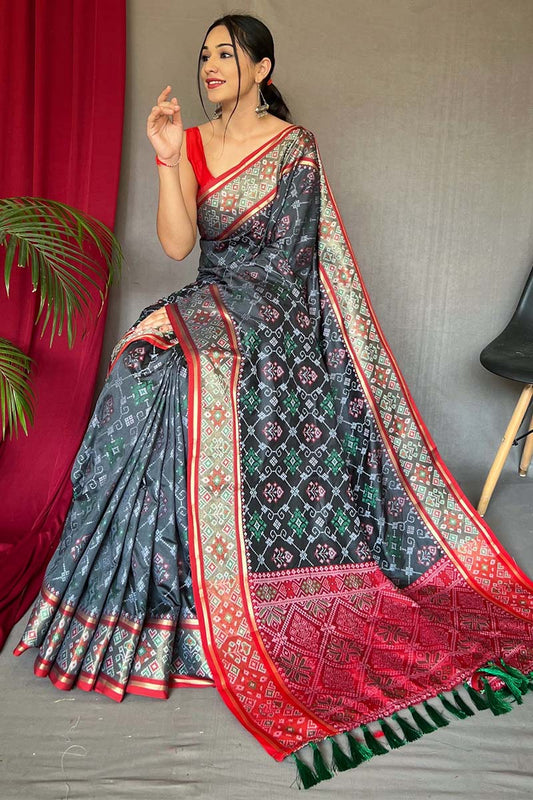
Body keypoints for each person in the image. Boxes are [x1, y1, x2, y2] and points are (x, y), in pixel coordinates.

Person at [13, 13, 533, 789]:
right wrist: (166, 157)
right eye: (205, 55)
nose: (210, 65)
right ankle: (146, 603)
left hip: (273, 320)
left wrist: (216, 324)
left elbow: (290, 268)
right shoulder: (190, 140)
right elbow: (179, 246)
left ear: (262, 67)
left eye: (226, 54)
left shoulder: (294, 148)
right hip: (211, 305)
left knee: (184, 375)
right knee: (140, 374)